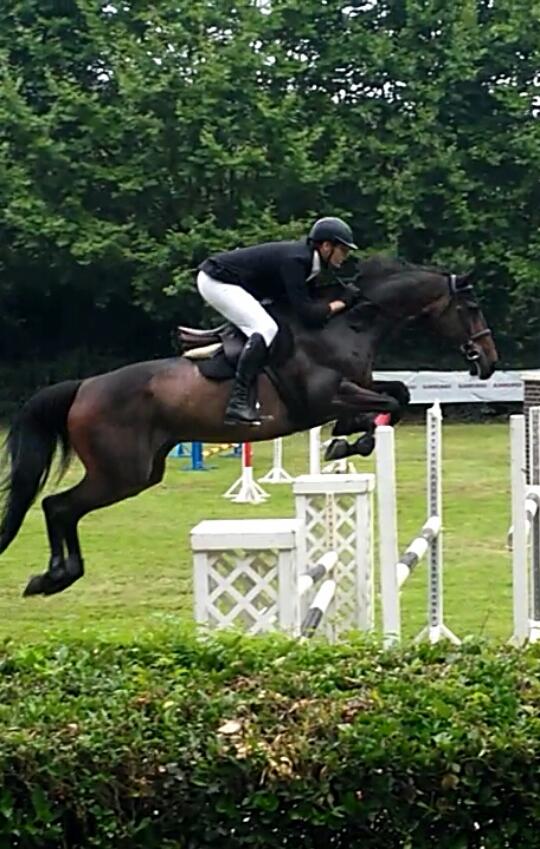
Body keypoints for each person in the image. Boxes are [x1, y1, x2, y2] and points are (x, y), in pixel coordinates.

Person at [197, 216, 358, 426]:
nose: (345, 256)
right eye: (343, 250)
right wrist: (341, 303)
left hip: (236, 283)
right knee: (265, 328)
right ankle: (238, 401)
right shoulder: (297, 261)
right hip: (217, 281)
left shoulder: (310, 264)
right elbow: (307, 313)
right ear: (326, 246)